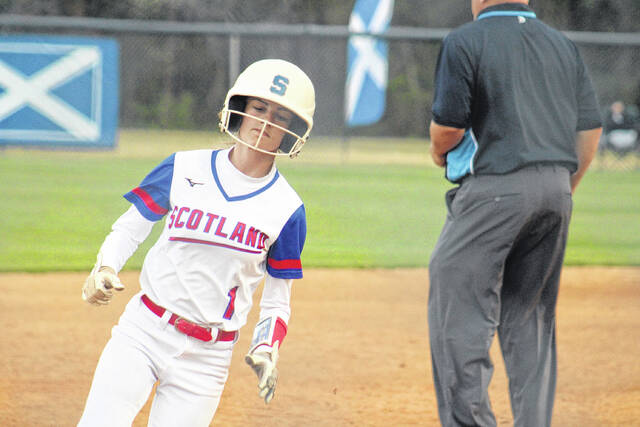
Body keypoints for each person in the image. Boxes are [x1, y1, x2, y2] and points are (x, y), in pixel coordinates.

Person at [78, 58, 315, 427]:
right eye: (259, 107)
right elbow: (130, 228)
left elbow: (276, 301)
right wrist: (105, 266)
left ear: (292, 131)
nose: (266, 122)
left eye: (281, 117)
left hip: (208, 357)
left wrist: (266, 349)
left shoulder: (287, 208)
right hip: (143, 331)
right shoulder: (185, 167)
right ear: (239, 109)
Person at [427, 1, 602, 426]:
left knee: (459, 311)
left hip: (493, 191)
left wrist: (436, 152)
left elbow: (448, 128)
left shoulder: (465, 40)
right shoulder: (562, 45)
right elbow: (590, 129)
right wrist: (561, 187)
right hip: (556, 191)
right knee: (531, 317)